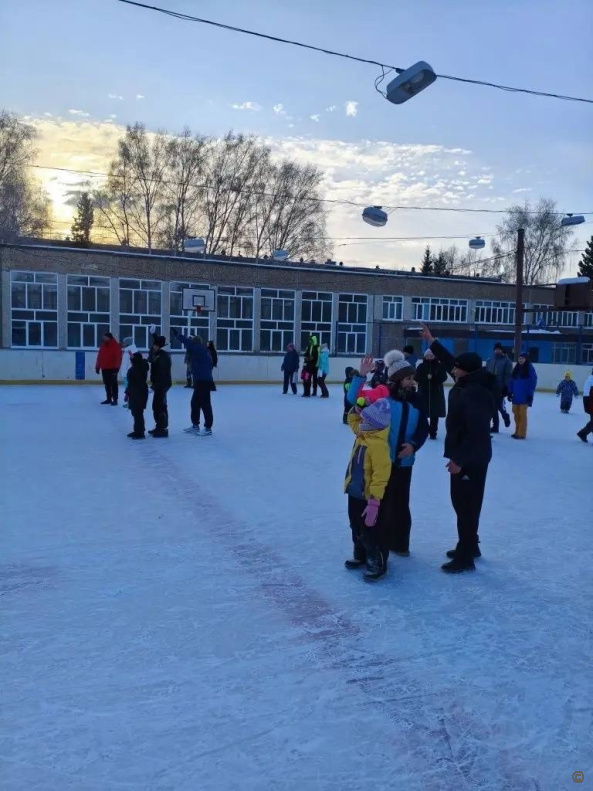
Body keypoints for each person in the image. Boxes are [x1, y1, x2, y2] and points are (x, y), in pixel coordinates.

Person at [419, 323, 494, 573]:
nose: (453, 369)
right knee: (466, 505)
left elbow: (477, 433)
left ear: (466, 370)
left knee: (465, 506)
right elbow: (450, 360)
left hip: (470, 458)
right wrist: (432, 341)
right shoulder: (468, 381)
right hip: (471, 456)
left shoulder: (474, 393)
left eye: (458, 367)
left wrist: (459, 460)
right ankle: (470, 545)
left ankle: (465, 557)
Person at [348, 350, 428, 557]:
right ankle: (378, 546)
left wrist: (413, 445)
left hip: (405, 462)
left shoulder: (417, 401)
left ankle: (400, 544)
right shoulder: (382, 396)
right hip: (381, 461)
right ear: (397, 379)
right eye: (408, 378)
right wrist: (361, 376)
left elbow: (423, 428)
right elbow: (353, 399)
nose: (412, 382)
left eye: (412, 378)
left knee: (401, 504)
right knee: (380, 505)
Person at [344, 399, 392, 581]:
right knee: (355, 525)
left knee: (370, 530)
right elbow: (353, 421)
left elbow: (381, 476)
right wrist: (355, 410)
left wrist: (374, 501)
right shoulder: (363, 434)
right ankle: (360, 555)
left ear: (375, 424)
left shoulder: (379, 446)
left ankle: (376, 562)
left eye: (366, 419)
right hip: (354, 492)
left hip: (368, 497)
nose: (361, 421)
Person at [173, 331, 215, 436]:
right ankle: (195, 425)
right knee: (195, 403)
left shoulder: (199, 349)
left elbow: (187, 342)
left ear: (195, 343)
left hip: (203, 382)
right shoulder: (202, 352)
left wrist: (178, 335)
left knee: (205, 404)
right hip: (202, 381)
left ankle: (208, 428)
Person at [415, 348, 448, 439]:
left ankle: (433, 431)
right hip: (423, 393)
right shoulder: (421, 366)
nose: (429, 357)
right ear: (425, 356)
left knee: (435, 414)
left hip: (436, 394)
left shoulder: (439, 366)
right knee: (422, 413)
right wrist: (426, 378)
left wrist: (435, 376)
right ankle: (424, 429)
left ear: (434, 356)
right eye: (428, 356)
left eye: (431, 355)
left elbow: (443, 378)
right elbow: (416, 377)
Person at [507, 353, 538, 439]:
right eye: (519, 358)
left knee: (522, 414)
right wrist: (509, 392)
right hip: (516, 396)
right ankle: (517, 431)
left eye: (522, 358)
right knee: (515, 413)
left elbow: (533, 381)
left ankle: (521, 433)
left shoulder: (530, 368)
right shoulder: (516, 368)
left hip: (525, 396)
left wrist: (530, 394)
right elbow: (511, 380)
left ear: (526, 359)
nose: (521, 360)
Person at [485, 343, 513, 432]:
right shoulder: (490, 360)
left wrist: (506, 387)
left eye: (499, 349)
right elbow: (486, 372)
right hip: (490, 386)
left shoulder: (507, 361)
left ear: (501, 350)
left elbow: (508, 375)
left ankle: (505, 416)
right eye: (496, 349)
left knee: (499, 405)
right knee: (492, 406)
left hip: (499, 386)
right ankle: (495, 426)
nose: (497, 351)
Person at [148, 335, 172, 438]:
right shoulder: (159, 354)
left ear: (159, 346)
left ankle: (162, 428)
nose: (153, 347)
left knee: (160, 406)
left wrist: (154, 386)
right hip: (160, 384)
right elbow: (150, 359)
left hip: (162, 385)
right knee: (156, 406)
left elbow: (162, 373)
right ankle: (159, 426)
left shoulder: (163, 356)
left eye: (154, 345)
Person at [125, 352, 149, 439]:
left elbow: (132, 383)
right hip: (136, 393)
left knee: (137, 413)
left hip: (138, 393)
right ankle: (138, 430)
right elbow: (131, 383)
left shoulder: (137, 369)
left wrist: (127, 393)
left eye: (132, 359)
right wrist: (127, 393)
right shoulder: (139, 367)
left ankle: (139, 432)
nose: (131, 361)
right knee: (136, 412)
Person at [95, 332, 123, 406]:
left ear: (109, 337)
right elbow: (99, 356)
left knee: (113, 384)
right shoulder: (103, 345)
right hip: (104, 368)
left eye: (105, 337)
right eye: (103, 337)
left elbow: (118, 358)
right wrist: (97, 366)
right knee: (107, 384)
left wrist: (116, 368)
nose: (103, 338)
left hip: (113, 368)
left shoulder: (116, 345)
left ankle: (115, 399)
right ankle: (108, 399)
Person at [120, 336, 138, 409]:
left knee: (130, 389)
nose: (123, 344)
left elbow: (133, 363)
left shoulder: (131, 351)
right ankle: (129, 402)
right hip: (126, 373)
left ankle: (131, 403)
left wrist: (130, 373)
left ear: (128, 343)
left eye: (124, 343)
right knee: (128, 389)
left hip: (129, 374)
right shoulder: (127, 350)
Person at [577, 376, 593, 443]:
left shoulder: (590, 380)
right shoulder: (591, 381)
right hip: (590, 402)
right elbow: (589, 395)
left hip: (589, 402)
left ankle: (583, 433)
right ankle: (582, 433)